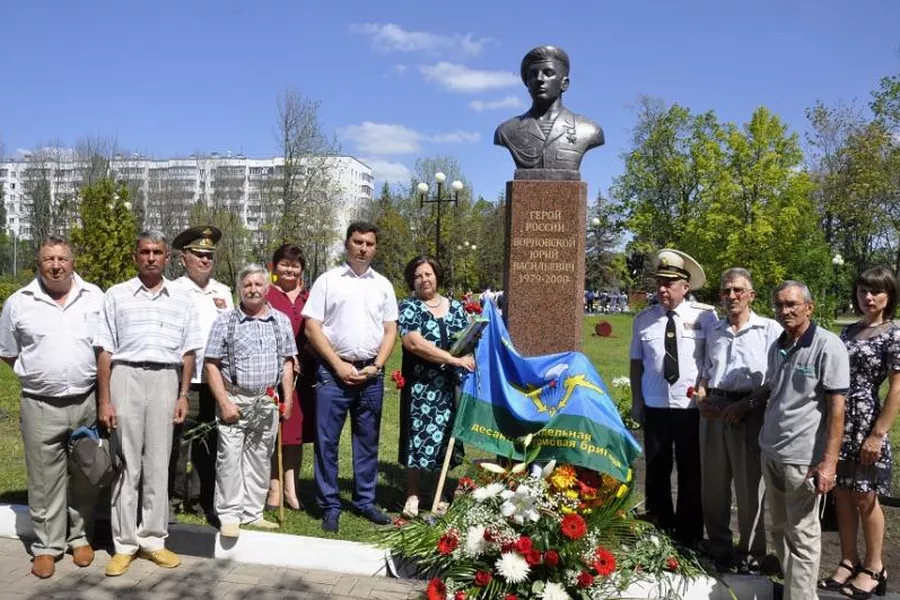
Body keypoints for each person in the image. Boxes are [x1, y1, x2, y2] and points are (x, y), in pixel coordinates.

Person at [95, 231, 203, 577]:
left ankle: (154, 540)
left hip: (165, 380)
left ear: (167, 257)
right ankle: (124, 544)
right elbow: (105, 350)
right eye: (145, 252)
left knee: (158, 462)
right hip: (126, 376)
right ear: (135, 256)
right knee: (127, 463)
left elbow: (188, 352)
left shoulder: (182, 299)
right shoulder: (117, 295)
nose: (151, 257)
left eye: (157, 252)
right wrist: (105, 398)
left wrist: (183, 394)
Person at [0, 236, 104, 579]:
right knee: (44, 479)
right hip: (40, 404)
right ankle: (47, 546)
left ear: (73, 262)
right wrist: (34, 374)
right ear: (39, 263)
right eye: (48, 259)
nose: (56, 265)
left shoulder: (95, 298)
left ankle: (80, 537)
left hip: (86, 402)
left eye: (62, 258)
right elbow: (7, 350)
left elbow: (105, 348)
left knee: (85, 475)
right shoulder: (19, 303)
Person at [754, 281, 848, 600]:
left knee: (803, 535)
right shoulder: (777, 344)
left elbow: (837, 408)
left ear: (809, 307)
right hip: (771, 451)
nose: (785, 311)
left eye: (792, 304)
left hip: (803, 459)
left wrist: (829, 463)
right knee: (779, 529)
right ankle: (793, 590)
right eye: (780, 305)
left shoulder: (827, 345)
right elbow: (774, 392)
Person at [303, 222, 398, 533]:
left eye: (369, 243)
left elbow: (390, 330)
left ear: (375, 247)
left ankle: (365, 501)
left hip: (370, 373)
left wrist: (377, 366)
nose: (363, 248)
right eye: (357, 242)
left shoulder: (383, 284)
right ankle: (329, 504)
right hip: (333, 372)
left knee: (367, 441)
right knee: (327, 442)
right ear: (347, 244)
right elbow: (312, 327)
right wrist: (337, 364)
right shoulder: (328, 281)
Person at [819, 267, 899, 598]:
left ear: (889, 296)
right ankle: (848, 561)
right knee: (841, 495)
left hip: (868, 421)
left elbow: (897, 389)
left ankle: (875, 566)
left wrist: (878, 433)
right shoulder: (848, 331)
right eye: (863, 290)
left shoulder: (894, 333)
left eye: (876, 292)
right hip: (840, 421)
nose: (868, 297)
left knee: (866, 496)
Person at [695, 268, 782, 573]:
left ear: (751, 295)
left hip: (750, 412)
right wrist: (702, 393)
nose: (731, 296)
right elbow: (706, 370)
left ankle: (752, 554)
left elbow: (774, 378)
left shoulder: (769, 330)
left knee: (749, 488)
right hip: (714, 411)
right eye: (725, 291)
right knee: (714, 486)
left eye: (738, 290)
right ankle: (719, 548)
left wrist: (749, 404)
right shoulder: (715, 331)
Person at [630, 248, 717, 546]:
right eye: (659, 283)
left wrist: (706, 389)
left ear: (685, 287)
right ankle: (660, 526)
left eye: (669, 283)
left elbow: (711, 358)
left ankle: (690, 532)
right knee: (656, 466)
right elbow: (636, 363)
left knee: (692, 469)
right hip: (655, 403)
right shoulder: (644, 320)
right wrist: (637, 401)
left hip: (690, 406)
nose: (662, 289)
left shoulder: (705, 317)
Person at [204, 264, 297, 537]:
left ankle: (252, 512)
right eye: (248, 285)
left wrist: (287, 399)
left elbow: (288, 364)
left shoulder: (280, 321)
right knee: (229, 458)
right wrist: (224, 403)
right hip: (235, 398)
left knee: (259, 458)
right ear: (239, 289)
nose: (253, 289)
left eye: (258, 284)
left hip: (267, 399)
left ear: (267, 289)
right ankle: (230, 515)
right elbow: (211, 365)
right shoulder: (225, 322)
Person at [396, 256, 475, 518]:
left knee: (444, 438)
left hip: (450, 386)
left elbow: (469, 340)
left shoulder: (456, 308)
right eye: (418, 276)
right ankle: (413, 493)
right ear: (412, 281)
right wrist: (452, 359)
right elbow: (413, 343)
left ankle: (439, 491)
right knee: (418, 438)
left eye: (428, 274)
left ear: (437, 276)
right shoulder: (409, 308)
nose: (424, 279)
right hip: (421, 385)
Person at [169, 225, 233, 521]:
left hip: (214, 382)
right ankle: (173, 496)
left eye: (209, 255)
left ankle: (200, 497)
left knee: (207, 443)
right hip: (183, 380)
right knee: (178, 443)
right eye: (198, 255)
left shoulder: (224, 293)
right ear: (184, 258)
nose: (205, 260)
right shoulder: (173, 290)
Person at [494, 45, 604, 176]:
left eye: (548, 73)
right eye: (533, 74)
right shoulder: (506, 131)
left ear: (564, 84)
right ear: (527, 84)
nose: (540, 79)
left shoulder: (588, 130)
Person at [265, 243, 314, 512]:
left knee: (295, 434)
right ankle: (273, 488)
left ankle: (291, 488)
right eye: (284, 263)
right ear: (274, 267)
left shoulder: (309, 298)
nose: (289, 269)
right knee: (275, 432)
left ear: (301, 269)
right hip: (273, 373)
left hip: (304, 375)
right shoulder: (267, 294)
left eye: (295, 265)